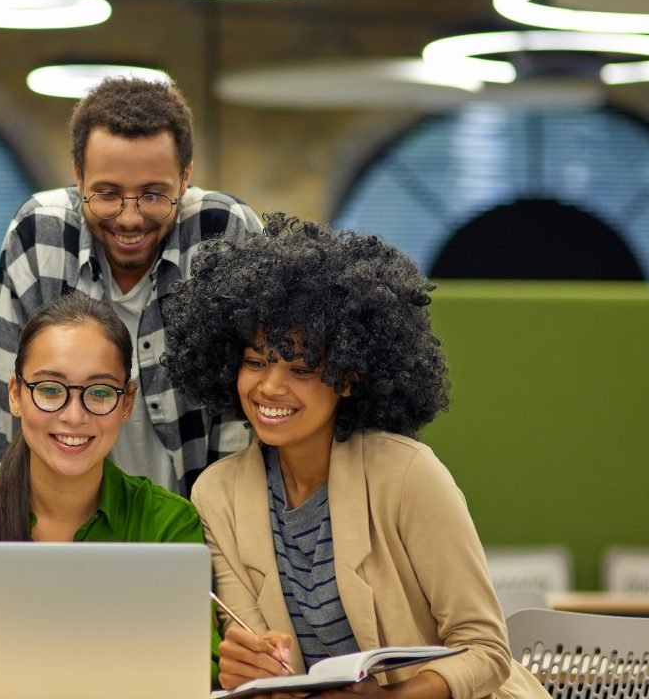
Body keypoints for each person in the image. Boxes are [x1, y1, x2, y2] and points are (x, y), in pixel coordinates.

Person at [162, 215, 548, 699]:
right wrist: (250, 668)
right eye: (255, 361)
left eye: (301, 368)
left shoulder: (408, 474)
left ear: (347, 378)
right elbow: (270, 669)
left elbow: (485, 650)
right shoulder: (217, 495)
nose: (270, 386)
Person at [0, 293, 214, 697]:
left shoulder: (169, 524)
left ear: (127, 402)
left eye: (100, 392)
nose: (73, 415)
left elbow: (199, 661)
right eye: (50, 389)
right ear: (15, 395)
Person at [0, 76, 261, 496]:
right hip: (66, 518)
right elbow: (15, 408)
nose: (130, 218)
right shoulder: (39, 233)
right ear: (78, 176)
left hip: (201, 511)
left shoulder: (222, 232)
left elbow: (241, 414)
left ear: (185, 176)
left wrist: (220, 536)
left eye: (153, 195)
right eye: (108, 194)